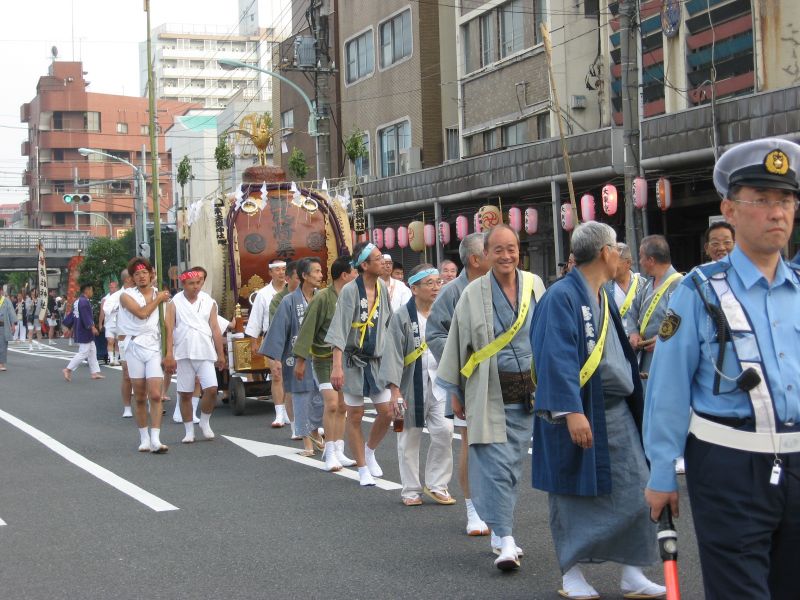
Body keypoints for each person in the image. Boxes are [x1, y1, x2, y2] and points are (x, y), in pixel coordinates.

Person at [644, 138, 800, 600]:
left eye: (786, 200)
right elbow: (668, 387)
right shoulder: (699, 291)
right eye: (762, 200)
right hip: (730, 465)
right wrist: (661, 472)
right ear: (729, 210)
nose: (778, 213)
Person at [531, 222, 665, 599]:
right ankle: (572, 573)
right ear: (605, 252)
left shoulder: (601, 294)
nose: (620, 254)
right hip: (580, 408)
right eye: (617, 248)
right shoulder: (561, 296)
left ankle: (632, 571)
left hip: (615, 409)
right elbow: (553, 355)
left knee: (638, 486)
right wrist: (570, 411)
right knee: (571, 493)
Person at [437, 224, 546, 571]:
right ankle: (507, 540)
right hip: (487, 390)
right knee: (495, 466)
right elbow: (457, 343)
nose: (506, 256)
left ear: (519, 251)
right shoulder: (472, 293)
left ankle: (499, 529)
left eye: (511, 248)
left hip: (526, 393)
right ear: (485, 255)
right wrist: (455, 392)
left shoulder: (535, 285)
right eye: (498, 250)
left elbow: (547, 335)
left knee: (512, 467)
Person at [426, 232, 491, 535]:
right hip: (468, 377)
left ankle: (496, 507)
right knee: (470, 443)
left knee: (501, 447)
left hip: (504, 378)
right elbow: (435, 334)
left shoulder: (505, 284)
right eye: (491, 251)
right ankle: (472, 507)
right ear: (475, 259)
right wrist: (461, 364)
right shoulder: (452, 292)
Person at [380, 264, 455, 506]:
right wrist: (394, 391)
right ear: (414, 288)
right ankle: (411, 489)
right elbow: (392, 354)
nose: (436, 287)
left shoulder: (444, 312)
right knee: (409, 438)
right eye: (429, 283)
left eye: (438, 282)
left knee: (445, 431)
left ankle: (437, 484)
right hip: (409, 386)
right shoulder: (402, 316)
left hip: (440, 384)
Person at [326, 242, 394, 486]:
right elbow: (340, 328)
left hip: (377, 360)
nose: (383, 262)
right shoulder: (350, 291)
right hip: (352, 361)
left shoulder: (382, 287)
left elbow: (389, 323)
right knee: (355, 415)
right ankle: (362, 468)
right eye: (378, 259)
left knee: (387, 412)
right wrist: (337, 366)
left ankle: (370, 450)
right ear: (364, 265)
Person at [293, 255, 357, 471]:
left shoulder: (353, 296)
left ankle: (339, 450)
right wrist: (300, 361)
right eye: (354, 272)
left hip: (346, 358)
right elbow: (307, 329)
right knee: (331, 404)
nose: (357, 275)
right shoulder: (322, 298)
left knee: (343, 406)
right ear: (345, 275)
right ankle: (329, 453)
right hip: (323, 359)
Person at [262, 258, 325, 457]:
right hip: (296, 355)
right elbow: (279, 329)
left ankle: (315, 432)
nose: (320, 275)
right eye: (316, 271)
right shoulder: (288, 301)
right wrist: (275, 358)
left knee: (320, 398)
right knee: (301, 397)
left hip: (321, 355)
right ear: (304, 276)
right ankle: (306, 440)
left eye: (320, 271)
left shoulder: (322, 297)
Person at [163, 267, 225, 443]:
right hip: (183, 351)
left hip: (204, 350)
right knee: (185, 394)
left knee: (211, 389)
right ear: (183, 284)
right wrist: (169, 354)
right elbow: (169, 329)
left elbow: (215, 328)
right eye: (191, 283)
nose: (196, 286)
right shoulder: (174, 302)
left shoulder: (209, 301)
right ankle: (189, 430)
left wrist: (221, 353)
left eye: (198, 283)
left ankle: (204, 421)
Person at [119, 257, 171, 453]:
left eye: (144, 273)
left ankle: (156, 439)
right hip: (134, 347)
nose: (141, 276)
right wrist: (158, 299)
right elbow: (142, 314)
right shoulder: (126, 295)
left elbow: (168, 326)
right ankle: (144, 438)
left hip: (154, 347)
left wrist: (169, 353)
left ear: (151, 275)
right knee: (140, 396)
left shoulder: (161, 296)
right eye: (137, 274)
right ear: (132, 278)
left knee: (156, 395)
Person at [630, 235, 682, 382]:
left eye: (641, 257)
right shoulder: (647, 284)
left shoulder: (681, 284)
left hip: (668, 356)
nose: (640, 262)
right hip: (645, 354)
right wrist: (633, 332)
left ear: (651, 260)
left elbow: (686, 323)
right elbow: (633, 311)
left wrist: (664, 339)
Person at [245, 260, 288, 427]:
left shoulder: (293, 290)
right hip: (272, 336)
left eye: (284, 269)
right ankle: (279, 414)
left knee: (290, 377)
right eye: (277, 270)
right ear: (270, 272)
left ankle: (290, 412)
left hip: (292, 338)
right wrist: (254, 342)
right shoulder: (262, 294)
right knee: (276, 374)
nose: (281, 272)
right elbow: (255, 319)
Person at [268, 260, 300, 437]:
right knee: (288, 384)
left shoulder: (314, 295)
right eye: (298, 277)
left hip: (309, 348)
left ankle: (314, 425)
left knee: (312, 388)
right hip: (287, 347)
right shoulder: (279, 299)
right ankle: (290, 421)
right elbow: (276, 327)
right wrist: (275, 355)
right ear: (289, 279)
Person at [62, 283, 105, 382]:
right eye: (91, 290)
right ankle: (68, 369)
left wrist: (68, 326)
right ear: (87, 290)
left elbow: (72, 315)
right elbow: (86, 316)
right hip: (84, 330)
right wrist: (92, 327)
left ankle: (94, 372)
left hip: (80, 328)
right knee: (84, 352)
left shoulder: (78, 301)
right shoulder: (84, 302)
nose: (92, 292)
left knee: (92, 350)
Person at [604, 243, 647, 336]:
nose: (611, 266)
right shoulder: (604, 287)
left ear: (628, 263)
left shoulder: (643, 284)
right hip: (617, 338)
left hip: (640, 339)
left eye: (615, 262)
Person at [114, 270, 136, 418]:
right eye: (135, 275)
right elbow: (106, 309)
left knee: (148, 375)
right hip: (125, 338)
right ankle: (127, 407)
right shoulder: (117, 296)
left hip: (145, 338)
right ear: (129, 278)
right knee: (127, 374)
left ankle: (150, 402)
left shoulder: (147, 292)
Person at [98, 280, 121, 365]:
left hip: (119, 323)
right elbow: (102, 312)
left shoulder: (121, 297)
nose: (113, 289)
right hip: (109, 323)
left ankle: (116, 359)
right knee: (110, 341)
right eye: (111, 287)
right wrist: (100, 324)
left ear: (117, 288)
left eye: (114, 287)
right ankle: (111, 359)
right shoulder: (105, 299)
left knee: (118, 342)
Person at [0, 286, 16, 371]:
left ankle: (1, 364)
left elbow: (11, 313)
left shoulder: (6, 301)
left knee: (3, 345)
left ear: (2, 291)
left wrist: (13, 325)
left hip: (3, 326)